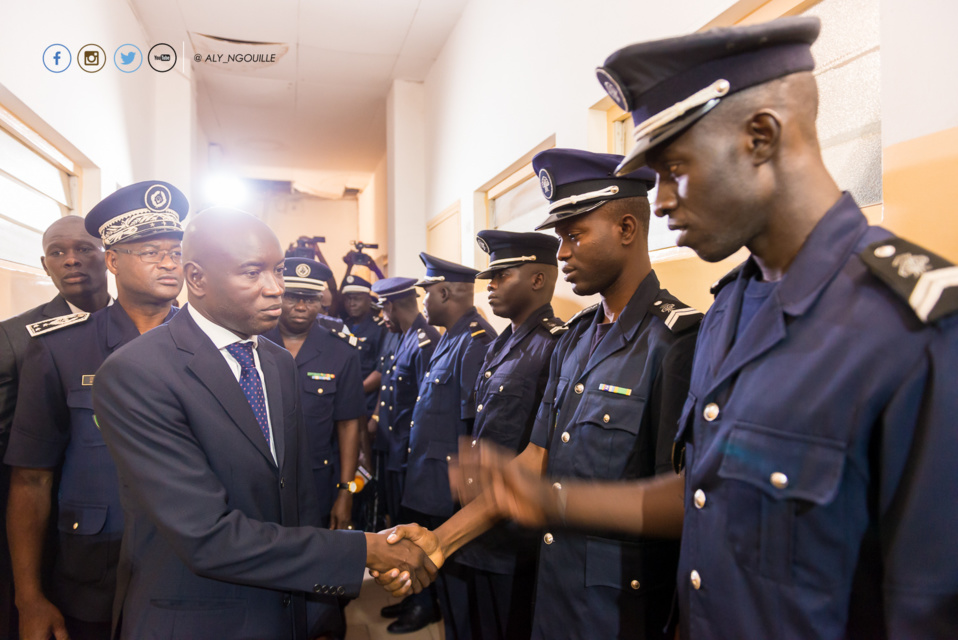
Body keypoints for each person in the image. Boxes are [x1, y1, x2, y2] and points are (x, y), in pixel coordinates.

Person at [450, 16, 958, 639]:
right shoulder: (728, 313)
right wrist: (551, 498)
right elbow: (703, 493)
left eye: (675, 169)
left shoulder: (914, 329)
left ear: (760, 137)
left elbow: (930, 605)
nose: (658, 201)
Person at [379, 149, 702, 640]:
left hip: (622, 609)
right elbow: (534, 462)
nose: (564, 253)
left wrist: (552, 501)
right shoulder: (574, 339)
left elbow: (683, 504)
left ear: (627, 229)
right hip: (555, 594)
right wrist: (440, 543)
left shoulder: (676, 340)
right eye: (560, 238)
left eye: (574, 235)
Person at [91, 207, 436, 639]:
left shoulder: (274, 362)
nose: (275, 289)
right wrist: (364, 550)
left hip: (285, 608)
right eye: (252, 273)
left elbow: (293, 496)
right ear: (196, 278)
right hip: (198, 618)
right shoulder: (138, 373)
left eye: (277, 271)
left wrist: (319, 604)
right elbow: (206, 536)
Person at [5, 181, 187, 640]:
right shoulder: (60, 349)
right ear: (113, 261)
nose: (168, 262)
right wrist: (29, 597)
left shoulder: (216, 348)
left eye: (175, 251)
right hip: (94, 573)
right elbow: (32, 478)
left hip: (195, 571)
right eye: (150, 251)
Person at [0, 216, 111, 639]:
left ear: (110, 258)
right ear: (45, 265)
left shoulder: (144, 329)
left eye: (84, 249)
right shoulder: (16, 337)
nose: (71, 260)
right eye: (58, 253)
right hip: (41, 518)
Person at [452, 230, 564, 640]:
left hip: (517, 535)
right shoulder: (502, 345)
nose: (491, 285)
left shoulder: (555, 345)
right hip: (481, 519)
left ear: (537, 280)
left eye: (502, 276)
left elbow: (546, 450)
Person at [395, 253, 497, 640]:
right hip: (431, 478)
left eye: (427, 293)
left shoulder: (475, 341)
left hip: (451, 487)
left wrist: (467, 490)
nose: (423, 302)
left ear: (444, 291)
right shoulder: (451, 337)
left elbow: (474, 425)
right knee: (446, 588)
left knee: (458, 590)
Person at [262, 258, 365, 531]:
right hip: (260, 480)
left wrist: (346, 491)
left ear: (322, 302)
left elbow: (348, 424)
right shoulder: (253, 343)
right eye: (292, 297)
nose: (300, 306)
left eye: (310, 298)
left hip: (318, 480)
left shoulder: (342, 352)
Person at [368, 276, 441, 634]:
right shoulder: (399, 335)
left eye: (382, 308)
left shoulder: (425, 341)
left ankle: (424, 605)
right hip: (394, 450)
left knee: (414, 533)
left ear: (392, 305)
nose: (381, 316)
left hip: (411, 455)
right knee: (397, 524)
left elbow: (427, 408)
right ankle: (412, 595)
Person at [340, 274, 388, 529]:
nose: (351, 304)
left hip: (367, 409)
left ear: (368, 301)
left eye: (357, 299)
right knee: (346, 464)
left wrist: (349, 390)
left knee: (366, 468)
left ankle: (367, 520)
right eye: (347, 299)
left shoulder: (378, 329)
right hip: (342, 410)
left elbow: (382, 373)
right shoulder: (341, 325)